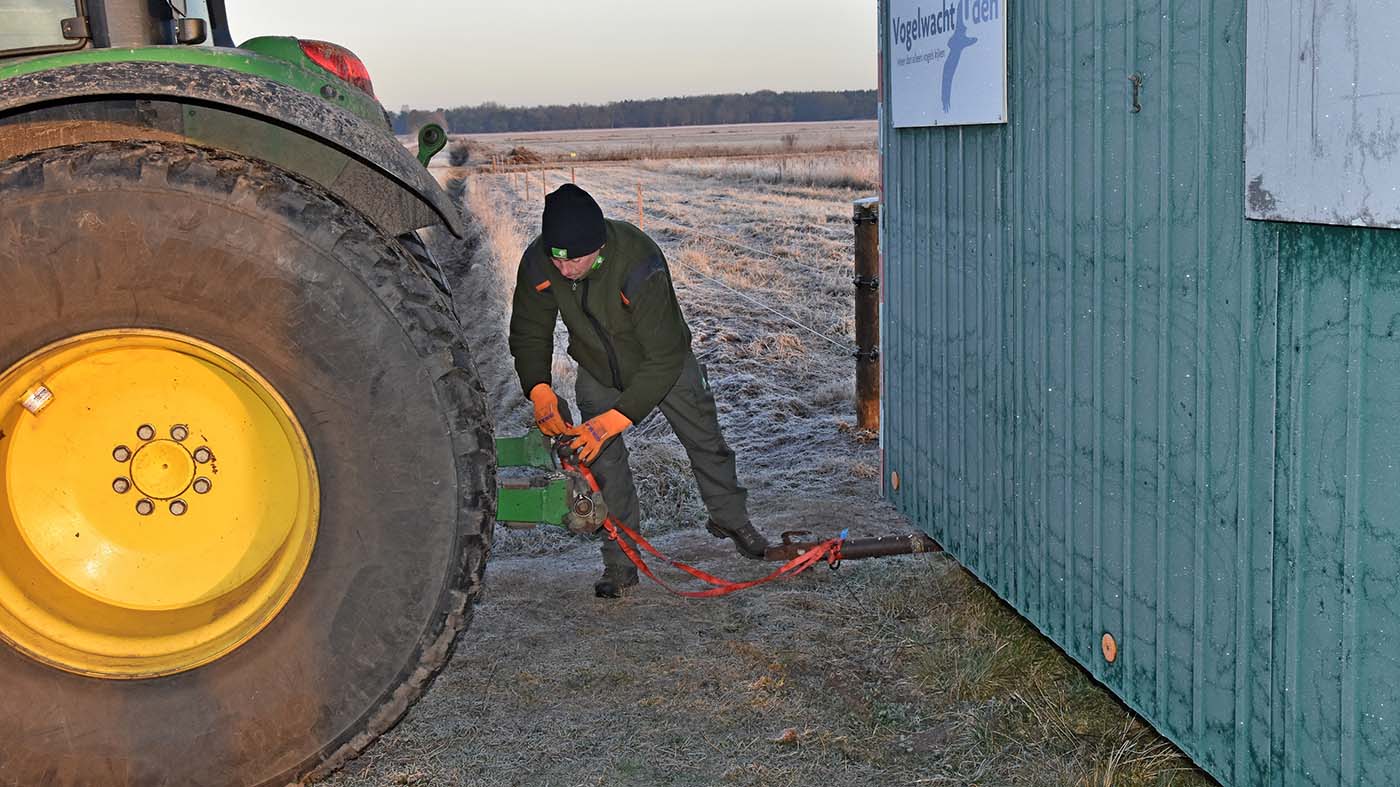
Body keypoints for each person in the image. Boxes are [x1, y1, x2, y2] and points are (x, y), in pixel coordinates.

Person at [509, 184, 770, 598]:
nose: (565, 269)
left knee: (706, 442)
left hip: (666, 364)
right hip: (597, 368)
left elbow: (664, 357)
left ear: (598, 246)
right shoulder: (541, 262)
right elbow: (528, 331)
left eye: (574, 260)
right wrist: (539, 390)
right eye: (557, 258)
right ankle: (620, 561)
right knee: (604, 464)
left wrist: (611, 422)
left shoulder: (639, 261)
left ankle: (731, 518)